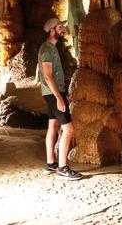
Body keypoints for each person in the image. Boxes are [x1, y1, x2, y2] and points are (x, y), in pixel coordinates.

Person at [38, 17, 82, 180]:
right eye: (60, 27)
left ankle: (51, 163)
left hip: (54, 92)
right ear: (52, 30)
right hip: (52, 93)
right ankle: (63, 168)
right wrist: (59, 98)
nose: (63, 29)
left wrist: (62, 93)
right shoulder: (47, 50)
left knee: (53, 126)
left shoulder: (52, 48)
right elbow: (48, 76)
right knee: (68, 129)